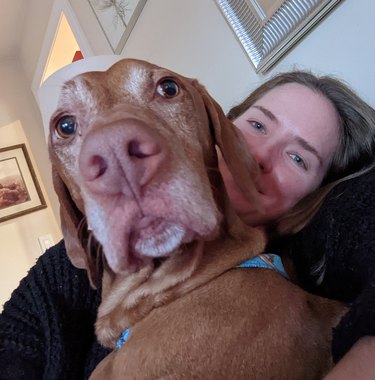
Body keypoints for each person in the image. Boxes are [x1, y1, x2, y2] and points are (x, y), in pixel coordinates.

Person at [0, 69, 374, 379]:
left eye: (298, 158)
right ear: (218, 130)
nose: (257, 155)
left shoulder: (321, 244)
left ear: (314, 197)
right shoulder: (71, 266)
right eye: (257, 125)